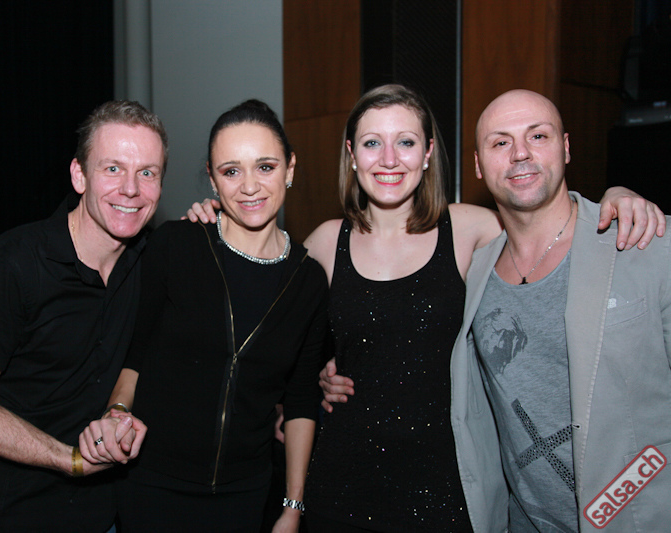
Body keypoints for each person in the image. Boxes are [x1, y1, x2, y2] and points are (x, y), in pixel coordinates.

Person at [188, 85, 665, 531]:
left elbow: (545, 216)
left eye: (406, 142)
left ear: (429, 153)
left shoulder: (472, 229)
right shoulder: (326, 243)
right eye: (372, 143)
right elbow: (261, 335)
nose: (389, 159)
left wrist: (618, 198)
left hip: (452, 486)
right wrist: (218, 223)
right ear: (352, 155)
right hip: (342, 483)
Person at [81, 100, 328, 532]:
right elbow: (135, 354)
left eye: (265, 167)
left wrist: (292, 507)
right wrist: (117, 410)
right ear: (213, 180)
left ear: (289, 168)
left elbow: (301, 401)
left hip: (246, 495)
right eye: (231, 171)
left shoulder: (309, 280)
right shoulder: (176, 245)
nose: (249, 186)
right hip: (151, 486)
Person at [0, 100, 165, 533]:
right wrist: (69, 460)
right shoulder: (9, 265)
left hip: (95, 515)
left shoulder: (149, 262)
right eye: (113, 168)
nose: (131, 189)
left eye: (147, 173)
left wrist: (117, 411)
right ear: (79, 175)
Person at [450, 89, 671, 532]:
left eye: (538, 135)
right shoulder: (475, 272)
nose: (520, 153)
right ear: (478, 165)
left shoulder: (645, 244)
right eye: (500, 142)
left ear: (566, 148)